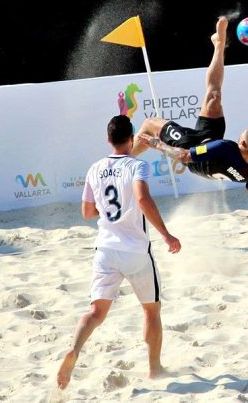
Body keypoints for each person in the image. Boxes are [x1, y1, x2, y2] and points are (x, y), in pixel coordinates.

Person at [56, 114, 181, 390]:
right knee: (151, 311)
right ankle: (154, 369)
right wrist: (166, 234)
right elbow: (142, 199)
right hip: (135, 250)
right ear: (132, 138)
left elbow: (87, 212)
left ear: (108, 139)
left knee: (95, 313)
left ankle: (75, 350)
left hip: (105, 249)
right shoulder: (137, 166)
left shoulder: (94, 168)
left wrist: (111, 210)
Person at [133, 16, 248, 199]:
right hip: (209, 143)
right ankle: (219, 44)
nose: (239, 134)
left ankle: (119, 160)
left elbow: (184, 156)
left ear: (243, 143)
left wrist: (158, 145)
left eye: (242, 134)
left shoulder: (226, 147)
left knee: (150, 124)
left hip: (193, 151)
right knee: (214, 96)